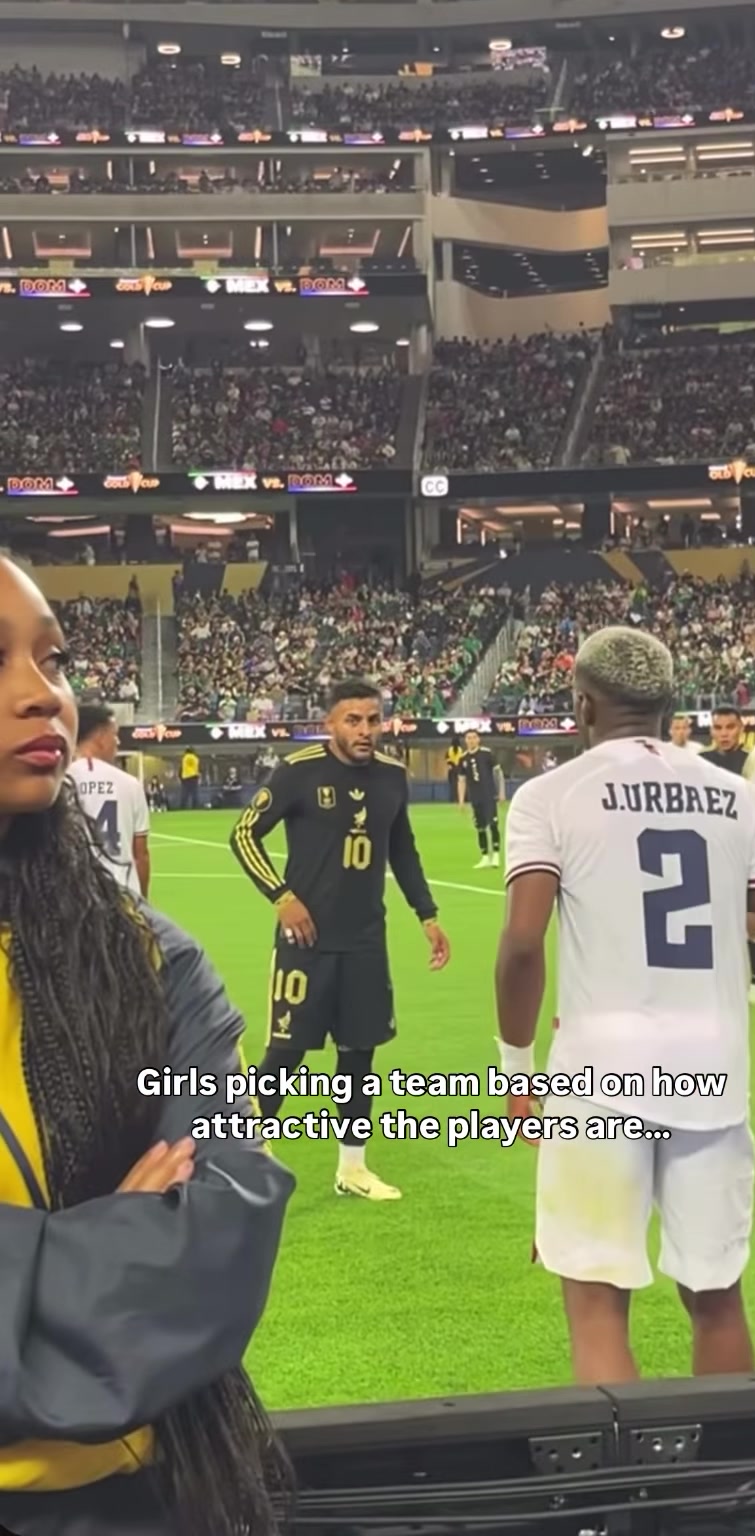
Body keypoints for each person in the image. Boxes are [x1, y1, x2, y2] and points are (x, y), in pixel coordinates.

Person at [0, 556, 293, 1536]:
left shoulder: (151, 957)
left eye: (52, 659)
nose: (42, 694)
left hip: (142, 1503)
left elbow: (217, 1229)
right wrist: (108, 1250)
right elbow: (150, 1277)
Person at [495, 627, 755, 1386]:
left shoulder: (550, 795)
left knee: (596, 1303)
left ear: (583, 706)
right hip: (712, 1074)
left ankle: (620, 1470)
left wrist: (515, 1069)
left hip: (600, 1074)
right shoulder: (739, 797)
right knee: (716, 1300)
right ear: (668, 704)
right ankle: (731, 1463)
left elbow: (522, 945)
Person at [229, 679, 450, 1202]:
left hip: (365, 941)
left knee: (358, 1056)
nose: (365, 730)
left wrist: (427, 914)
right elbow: (243, 834)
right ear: (330, 723)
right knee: (284, 1056)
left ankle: (353, 1169)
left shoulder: (393, 776)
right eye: (353, 720)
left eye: (373, 719)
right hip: (305, 942)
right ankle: (238, 1165)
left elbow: (403, 850)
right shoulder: (299, 770)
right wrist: (282, 896)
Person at [700, 706, 755, 1005]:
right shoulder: (700, 764)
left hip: (748, 849)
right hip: (710, 850)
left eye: (730, 727)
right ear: (711, 731)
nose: (724, 733)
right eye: (718, 727)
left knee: (752, 920)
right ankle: (721, 982)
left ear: (740, 729)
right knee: (714, 921)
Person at [67, 702, 151, 898]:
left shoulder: (60, 782)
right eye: (115, 734)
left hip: (75, 895)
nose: (118, 742)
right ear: (100, 736)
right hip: (122, 893)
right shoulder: (130, 784)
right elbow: (141, 855)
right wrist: (143, 903)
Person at [457, 729, 505, 869]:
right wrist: (461, 800)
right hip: (475, 796)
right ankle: (484, 856)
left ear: (478, 739)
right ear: (465, 740)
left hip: (489, 795)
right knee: (480, 827)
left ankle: (496, 855)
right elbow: (461, 780)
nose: (471, 740)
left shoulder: (486, 753)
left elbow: (498, 773)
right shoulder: (463, 758)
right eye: (468, 738)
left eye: (474, 737)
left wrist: (501, 792)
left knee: (493, 824)